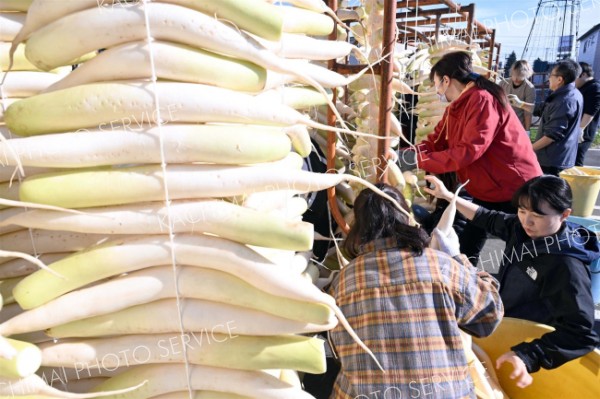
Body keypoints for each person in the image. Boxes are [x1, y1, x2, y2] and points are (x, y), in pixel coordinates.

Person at [424, 174, 600, 389]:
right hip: (503, 324)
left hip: (527, 347)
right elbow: (485, 216)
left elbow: (581, 333)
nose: (527, 221)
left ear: (565, 215)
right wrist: (448, 196)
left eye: (537, 215)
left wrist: (528, 356)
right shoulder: (523, 230)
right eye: (522, 210)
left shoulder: (566, 267)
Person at [328, 184, 503, 399]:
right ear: (406, 217)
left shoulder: (343, 281)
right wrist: (459, 259)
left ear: (358, 227)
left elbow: (337, 350)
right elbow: (489, 316)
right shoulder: (441, 266)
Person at [416, 51, 542, 264]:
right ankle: (468, 283)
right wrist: (409, 155)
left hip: (514, 186)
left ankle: (510, 290)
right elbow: (436, 140)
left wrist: (421, 160)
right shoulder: (456, 107)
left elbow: (468, 151)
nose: (437, 91)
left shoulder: (482, 100)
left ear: (446, 81)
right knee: (470, 243)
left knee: (520, 250)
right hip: (488, 187)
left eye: (437, 84)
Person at [508, 59, 583, 176]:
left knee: (547, 193)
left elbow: (552, 135)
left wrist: (528, 149)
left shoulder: (565, 101)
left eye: (551, 75)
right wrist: (520, 104)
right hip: (557, 158)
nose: (548, 78)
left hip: (552, 161)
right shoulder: (568, 93)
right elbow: (542, 109)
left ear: (559, 79)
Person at [575, 62, 600, 166]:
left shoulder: (594, 87)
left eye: (575, 77)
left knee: (577, 161)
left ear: (584, 74)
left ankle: (579, 182)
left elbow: (591, 110)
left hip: (584, 133)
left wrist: (581, 128)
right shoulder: (583, 87)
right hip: (576, 130)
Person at [500, 60, 536, 132]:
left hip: (518, 125)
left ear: (526, 75)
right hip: (502, 122)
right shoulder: (503, 83)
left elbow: (528, 113)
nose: (516, 79)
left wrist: (527, 131)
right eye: (514, 76)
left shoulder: (529, 88)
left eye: (520, 77)